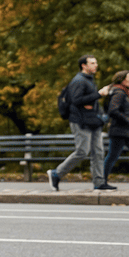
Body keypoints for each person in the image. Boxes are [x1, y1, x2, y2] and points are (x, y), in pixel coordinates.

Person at [49, 55, 112, 191]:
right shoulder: (78, 80)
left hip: (93, 121)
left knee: (98, 152)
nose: (96, 65)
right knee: (83, 151)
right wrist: (99, 94)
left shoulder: (89, 80)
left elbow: (91, 102)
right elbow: (76, 100)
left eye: (96, 63)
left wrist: (102, 115)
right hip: (80, 121)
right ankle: (56, 173)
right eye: (92, 63)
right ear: (84, 65)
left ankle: (99, 182)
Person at [102, 70, 129, 182]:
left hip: (122, 130)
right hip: (119, 130)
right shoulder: (119, 92)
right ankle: (101, 181)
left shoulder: (122, 92)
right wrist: (127, 120)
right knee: (112, 157)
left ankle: (101, 180)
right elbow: (113, 110)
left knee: (111, 156)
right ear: (122, 80)